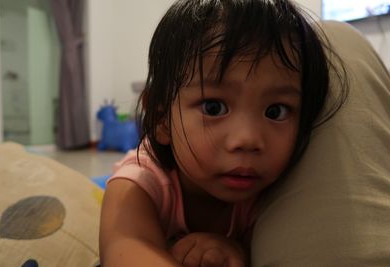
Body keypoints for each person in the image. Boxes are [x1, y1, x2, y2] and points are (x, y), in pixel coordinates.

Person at [99, 0, 348, 266]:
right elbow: (125, 247)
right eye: (214, 107)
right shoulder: (139, 182)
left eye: (276, 111)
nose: (248, 139)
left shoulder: (281, 192)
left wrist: (239, 249)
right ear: (161, 119)